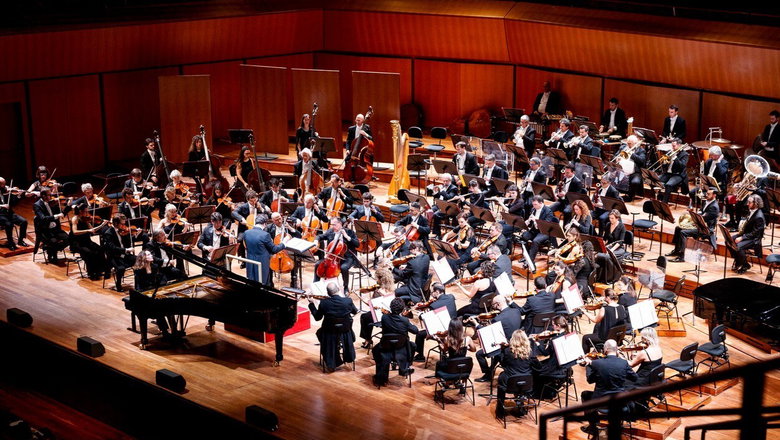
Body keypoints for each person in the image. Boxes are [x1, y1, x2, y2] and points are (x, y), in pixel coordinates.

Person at [579, 339, 638, 436]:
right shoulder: (623, 363)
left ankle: (593, 426)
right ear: (616, 349)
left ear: (605, 349)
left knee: (585, 395)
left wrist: (589, 365)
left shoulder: (597, 363)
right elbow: (635, 378)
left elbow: (590, 380)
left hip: (602, 403)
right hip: (620, 402)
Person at [308, 282, 358, 372]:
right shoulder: (348, 301)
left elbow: (317, 317)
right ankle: (347, 356)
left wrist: (311, 304)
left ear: (327, 293)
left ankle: (331, 361)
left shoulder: (324, 303)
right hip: (345, 331)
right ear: (338, 290)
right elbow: (355, 312)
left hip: (329, 332)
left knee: (320, 333)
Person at [475, 295, 523, 383]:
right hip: (518, 344)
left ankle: (488, 374)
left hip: (505, 347)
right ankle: (490, 372)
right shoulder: (516, 311)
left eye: (493, 305)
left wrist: (477, 325)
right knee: (497, 352)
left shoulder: (498, 319)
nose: (493, 307)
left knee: (479, 354)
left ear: (497, 304)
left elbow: (489, 335)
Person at [372, 297, 418, 386]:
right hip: (401, 348)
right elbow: (415, 331)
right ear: (402, 309)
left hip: (386, 347)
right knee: (413, 346)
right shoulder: (405, 320)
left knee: (375, 350)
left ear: (390, 307)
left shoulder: (384, 318)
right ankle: (404, 368)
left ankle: (381, 377)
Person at [667, 188, 719, 262]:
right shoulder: (707, 202)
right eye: (706, 193)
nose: (706, 195)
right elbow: (701, 213)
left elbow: (703, 219)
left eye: (708, 194)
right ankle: (676, 250)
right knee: (678, 228)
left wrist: (694, 218)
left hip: (705, 229)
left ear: (714, 195)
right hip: (700, 225)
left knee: (683, 232)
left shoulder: (714, 207)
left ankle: (681, 256)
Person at [531, 315, 574, 398]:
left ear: (558, 326)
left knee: (534, 368)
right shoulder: (568, 335)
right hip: (565, 366)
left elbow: (545, 353)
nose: (552, 327)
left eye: (553, 325)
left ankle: (537, 393)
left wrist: (537, 342)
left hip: (554, 367)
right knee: (538, 364)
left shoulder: (555, 340)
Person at [358, 256, 396, 349]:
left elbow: (373, 307)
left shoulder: (379, 291)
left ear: (380, 279)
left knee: (364, 317)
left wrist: (366, 301)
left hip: (381, 316)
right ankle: (368, 339)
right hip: (390, 314)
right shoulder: (391, 288)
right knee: (367, 316)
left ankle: (368, 339)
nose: (376, 280)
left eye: (377, 278)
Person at [495, 330, 535, 418]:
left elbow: (503, 364)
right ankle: (521, 405)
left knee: (501, 377)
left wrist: (502, 349)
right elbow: (538, 366)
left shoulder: (507, 352)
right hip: (526, 383)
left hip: (511, 383)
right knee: (524, 376)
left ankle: (500, 411)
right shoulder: (530, 353)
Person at [412, 283, 457, 362]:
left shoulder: (435, 305)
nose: (431, 294)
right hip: (454, 328)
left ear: (437, 292)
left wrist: (420, 314)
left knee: (420, 334)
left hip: (443, 331)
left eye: (432, 292)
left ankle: (420, 356)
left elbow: (427, 319)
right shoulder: (451, 297)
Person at [314, 217, 359, 292]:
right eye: (331, 225)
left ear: (340, 224)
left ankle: (345, 287)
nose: (332, 227)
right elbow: (320, 236)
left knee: (344, 268)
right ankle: (315, 284)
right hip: (332, 258)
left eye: (334, 225)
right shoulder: (330, 231)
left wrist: (347, 237)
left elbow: (357, 244)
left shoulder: (349, 232)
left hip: (347, 257)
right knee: (317, 264)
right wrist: (316, 240)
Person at [433, 318, 477, 392]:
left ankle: (447, 382)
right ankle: (458, 382)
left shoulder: (448, 340)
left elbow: (444, 350)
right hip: (464, 367)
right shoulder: (467, 339)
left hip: (451, 368)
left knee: (439, 364)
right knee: (457, 364)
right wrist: (466, 347)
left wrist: (439, 341)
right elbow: (474, 349)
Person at [69, 203, 108, 280]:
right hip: (77, 243)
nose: (87, 214)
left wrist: (102, 225)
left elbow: (93, 231)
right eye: (85, 212)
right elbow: (75, 232)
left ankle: (100, 270)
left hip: (86, 241)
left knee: (100, 249)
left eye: (87, 211)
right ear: (80, 211)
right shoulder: (75, 219)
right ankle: (91, 272)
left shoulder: (86, 219)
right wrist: (88, 230)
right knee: (90, 253)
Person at [102, 214, 141, 291]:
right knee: (121, 268)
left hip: (124, 255)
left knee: (139, 260)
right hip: (114, 256)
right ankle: (118, 285)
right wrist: (125, 250)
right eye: (122, 224)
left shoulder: (123, 231)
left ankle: (138, 284)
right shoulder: (108, 233)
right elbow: (112, 248)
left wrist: (136, 235)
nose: (124, 226)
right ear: (116, 224)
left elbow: (129, 242)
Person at [244, 214, 286, 285]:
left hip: (250, 261)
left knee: (251, 282)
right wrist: (284, 243)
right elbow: (274, 249)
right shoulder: (265, 235)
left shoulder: (246, 233)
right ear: (264, 224)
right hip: (262, 262)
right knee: (263, 283)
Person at [730, 194, 765, 274]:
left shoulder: (759, 216)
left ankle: (742, 263)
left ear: (756, 203)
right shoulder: (752, 211)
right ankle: (743, 262)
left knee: (738, 247)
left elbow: (755, 233)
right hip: (747, 234)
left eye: (749, 202)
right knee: (729, 240)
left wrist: (742, 237)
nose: (747, 204)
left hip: (754, 239)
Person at [33, 188, 68, 262]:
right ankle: (52, 255)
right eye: (49, 195)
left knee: (68, 239)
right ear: (43, 196)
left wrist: (67, 205)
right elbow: (43, 218)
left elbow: (61, 213)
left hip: (55, 229)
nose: (51, 197)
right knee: (54, 241)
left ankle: (49, 249)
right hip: (44, 230)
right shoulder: (37, 205)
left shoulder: (52, 203)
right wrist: (56, 216)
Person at [522, 196, 558, 262]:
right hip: (535, 230)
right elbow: (531, 224)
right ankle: (526, 256)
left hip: (544, 232)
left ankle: (530, 260)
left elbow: (546, 226)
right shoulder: (533, 209)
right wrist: (528, 222)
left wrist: (536, 220)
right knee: (524, 236)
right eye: (533, 204)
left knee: (535, 241)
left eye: (535, 204)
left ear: (541, 203)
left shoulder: (548, 211)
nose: (534, 206)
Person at [595, 209, 627, 283]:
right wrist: (602, 246)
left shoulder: (622, 227)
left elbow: (620, 242)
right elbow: (605, 238)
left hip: (618, 248)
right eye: (610, 218)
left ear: (617, 218)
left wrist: (611, 250)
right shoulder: (608, 224)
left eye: (612, 218)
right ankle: (599, 277)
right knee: (598, 254)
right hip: (609, 246)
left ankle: (609, 278)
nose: (610, 220)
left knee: (606, 256)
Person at [613, 135, 646, 201]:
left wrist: (631, 154)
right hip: (621, 171)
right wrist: (617, 158)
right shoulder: (623, 147)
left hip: (634, 172)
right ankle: (614, 195)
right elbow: (615, 156)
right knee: (611, 178)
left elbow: (642, 161)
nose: (628, 144)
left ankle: (630, 197)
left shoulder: (640, 150)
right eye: (627, 143)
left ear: (635, 143)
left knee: (635, 182)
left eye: (630, 143)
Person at [0, 177, 29, 250]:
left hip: (9, 213)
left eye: (4, 184)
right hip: (0, 215)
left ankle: (21, 240)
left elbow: (14, 202)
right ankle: (10, 243)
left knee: (23, 221)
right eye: (2, 184)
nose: (5, 186)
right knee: (9, 224)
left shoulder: (6, 191)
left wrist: (19, 195)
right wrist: (1, 205)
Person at [658, 138, 690, 203]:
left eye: (674, 146)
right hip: (668, 173)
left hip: (678, 174)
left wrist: (675, 158)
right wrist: (664, 163)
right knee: (654, 180)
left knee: (668, 185)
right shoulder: (669, 152)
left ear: (679, 145)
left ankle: (664, 203)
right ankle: (659, 197)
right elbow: (664, 166)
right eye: (672, 145)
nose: (672, 147)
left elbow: (682, 166)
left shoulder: (685, 154)